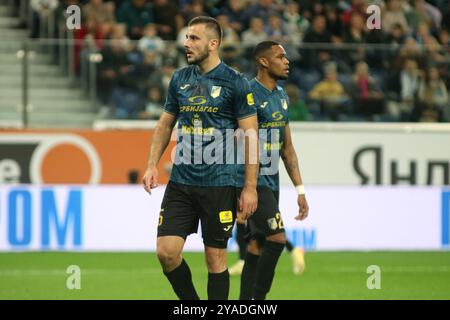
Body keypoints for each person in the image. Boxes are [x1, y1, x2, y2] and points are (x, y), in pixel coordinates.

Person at [142, 16, 259, 300]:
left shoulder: (236, 83)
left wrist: (250, 187)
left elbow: (251, 136)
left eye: (194, 38)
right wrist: (151, 165)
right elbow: (165, 124)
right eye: (186, 38)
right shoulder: (179, 78)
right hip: (182, 181)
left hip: (219, 184)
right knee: (166, 253)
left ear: (213, 43)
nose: (187, 43)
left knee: (214, 258)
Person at [235, 41, 309, 300]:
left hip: (272, 180)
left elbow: (287, 148)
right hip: (252, 181)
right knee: (277, 238)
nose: (287, 61)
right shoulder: (247, 94)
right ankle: (258, 299)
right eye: (280, 56)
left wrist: (300, 190)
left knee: (257, 246)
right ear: (263, 62)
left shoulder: (281, 96)